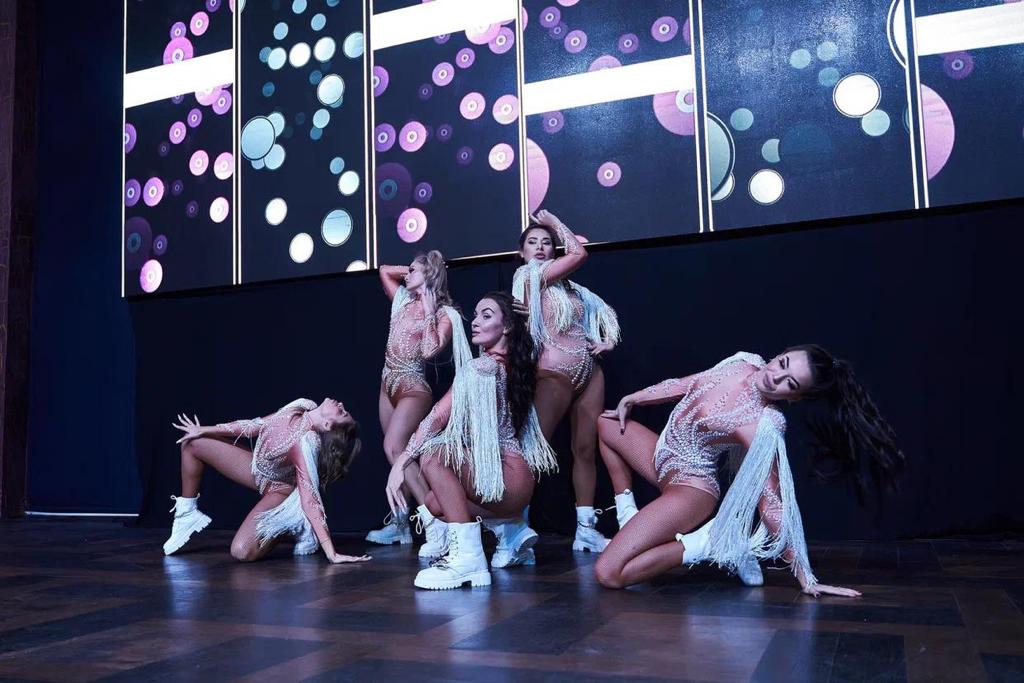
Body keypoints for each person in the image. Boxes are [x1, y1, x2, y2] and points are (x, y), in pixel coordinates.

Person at [593, 347, 903, 595]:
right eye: (782, 364)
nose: (776, 377)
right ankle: (627, 514)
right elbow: (687, 384)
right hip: (662, 458)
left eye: (790, 383)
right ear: (779, 355)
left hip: (690, 490)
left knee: (609, 573)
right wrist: (635, 399)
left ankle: (709, 544)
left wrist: (806, 576)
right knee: (606, 424)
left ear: (795, 398)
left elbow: (771, 503)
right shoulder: (743, 361)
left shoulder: (762, 425)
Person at [385, 292, 558, 589]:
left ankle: (468, 560)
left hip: (504, 478)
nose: (475, 322)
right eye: (476, 315)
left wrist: (401, 462)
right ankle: (509, 527)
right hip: (514, 485)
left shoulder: (481, 368)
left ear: (507, 327)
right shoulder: (516, 365)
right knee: (434, 502)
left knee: (434, 455)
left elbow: (436, 417)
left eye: (486, 316)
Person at [512, 210, 621, 554]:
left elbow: (604, 315)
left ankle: (586, 530)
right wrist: (555, 222)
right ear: (522, 252)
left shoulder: (573, 289)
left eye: (547, 242)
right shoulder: (530, 276)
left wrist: (607, 341)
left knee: (585, 451)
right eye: (533, 242)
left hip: (590, 373)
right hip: (553, 372)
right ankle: (514, 527)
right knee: (533, 451)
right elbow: (579, 253)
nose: (540, 247)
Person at [164, 398, 370, 564]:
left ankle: (292, 524)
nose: (341, 405)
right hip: (257, 470)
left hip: (280, 490)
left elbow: (309, 497)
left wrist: (331, 553)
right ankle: (187, 514)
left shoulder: (307, 443)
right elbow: (256, 425)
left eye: (342, 413)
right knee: (192, 442)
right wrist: (205, 429)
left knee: (241, 551)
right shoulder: (303, 405)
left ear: (327, 424)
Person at [366, 251, 471, 559]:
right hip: (387, 384)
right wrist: (418, 271)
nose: (406, 274)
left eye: (413, 270)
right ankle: (401, 523)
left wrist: (427, 303)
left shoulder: (444, 313)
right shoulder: (401, 300)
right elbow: (384, 270)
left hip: (413, 387)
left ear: (430, 274)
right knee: (398, 457)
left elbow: (429, 350)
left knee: (395, 448)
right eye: (408, 270)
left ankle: (435, 522)